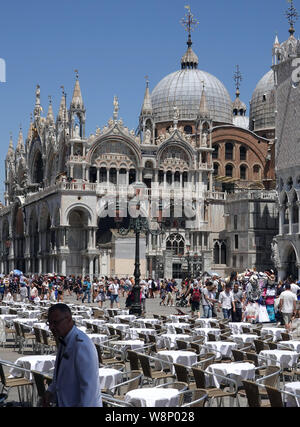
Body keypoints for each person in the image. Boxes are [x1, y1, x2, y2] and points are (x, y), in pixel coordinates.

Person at [42, 304, 102, 407]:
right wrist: (50, 391)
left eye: (55, 323)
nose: (51, 327)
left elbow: (89, 388)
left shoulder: (82, 345)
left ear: (69, 319)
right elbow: (59, 376)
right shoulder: (63, 339)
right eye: (49, 323)